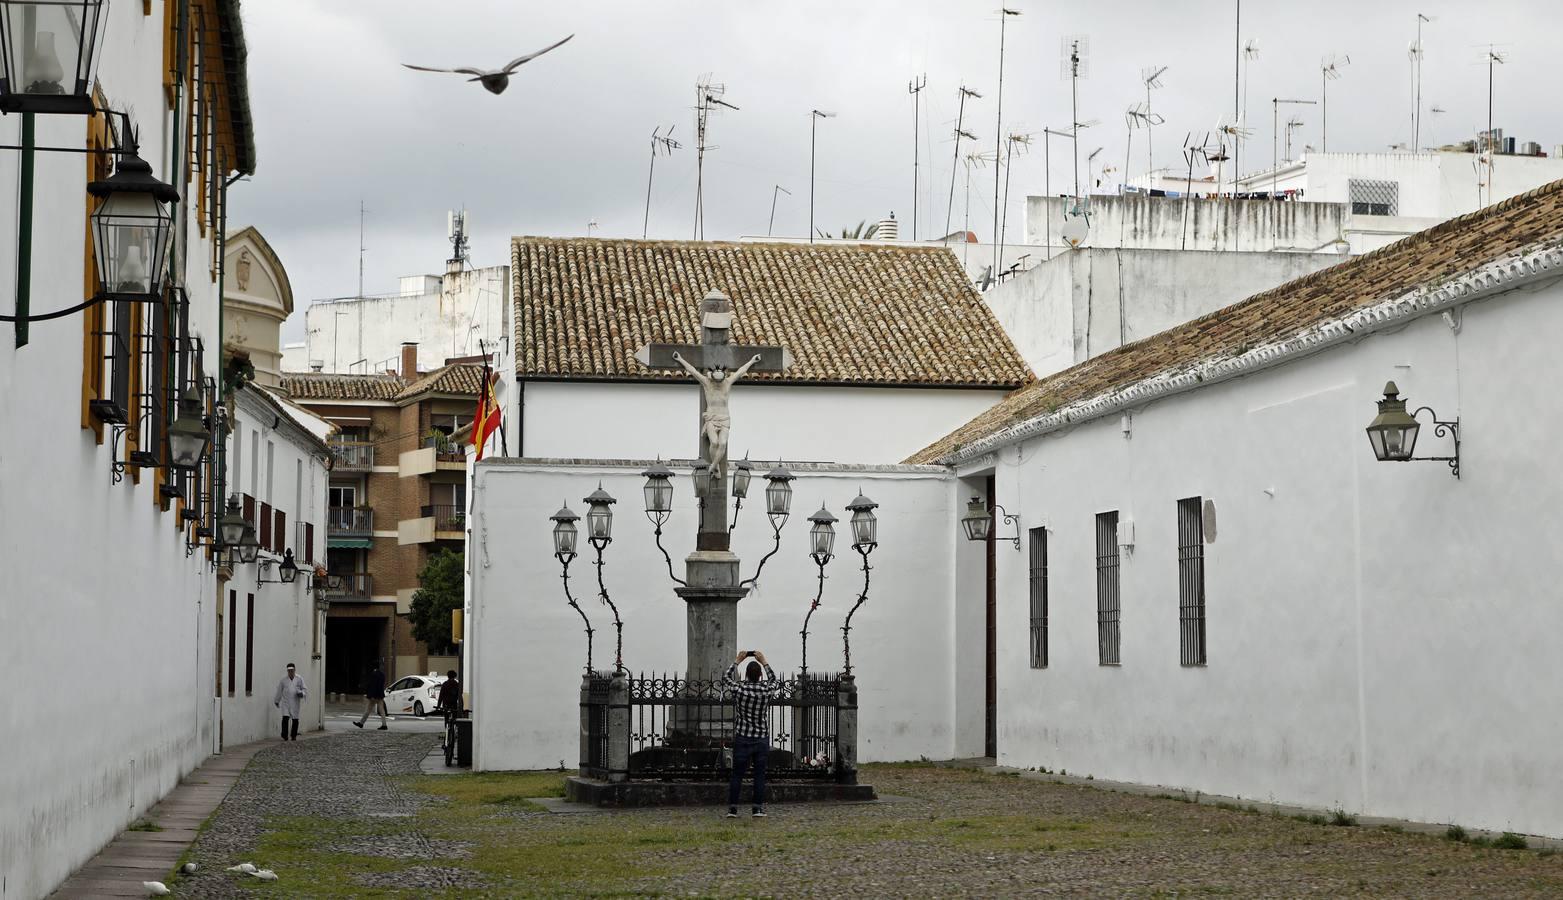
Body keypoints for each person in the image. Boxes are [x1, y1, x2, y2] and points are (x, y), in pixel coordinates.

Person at [723, 649, 780, 818]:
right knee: (759, 774)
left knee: (737, 774)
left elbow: (726, 679)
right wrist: (764, 661)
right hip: (761, 737)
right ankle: (757, 808)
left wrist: (737, 661)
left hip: (743, 736)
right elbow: (775, 681)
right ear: (760, 675)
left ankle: (733, 809)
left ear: (746, 675)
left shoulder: (739, 689)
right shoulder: (765, 690)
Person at [272, 663, 308, 741]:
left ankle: (293, 735)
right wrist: (277, 700)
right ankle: (284, 734)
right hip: (286, 702)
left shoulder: (299, 678)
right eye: (289, 671)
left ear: (295, 670)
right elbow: (279, 690)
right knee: (285, 718)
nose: (290, 672)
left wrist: (302, 693)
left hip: (295, 702)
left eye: (292, 670)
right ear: (287, 671)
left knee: (295, 719)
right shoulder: (283, 680)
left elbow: (304, 689)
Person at [353, 663, 388, 731]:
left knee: (368, 709)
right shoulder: (382, 675)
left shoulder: (373, 674)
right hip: (380, 695)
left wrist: (371, 695)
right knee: (382, 710)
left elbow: (372, 686)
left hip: (374, 696)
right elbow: (381, 685)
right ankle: (384, 725)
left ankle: (361, 723)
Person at [436, 670, 462, 741]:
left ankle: (447, 732)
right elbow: (459, 696)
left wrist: (438, 706)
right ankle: (454, 732)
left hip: (446, 705)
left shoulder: (445, 684)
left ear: (448, 676)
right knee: (454, 718)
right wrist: (461, 706)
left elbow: (441, 696)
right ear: (455, 676)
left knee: (446, 719)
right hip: (453, 704)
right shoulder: (457, 684)